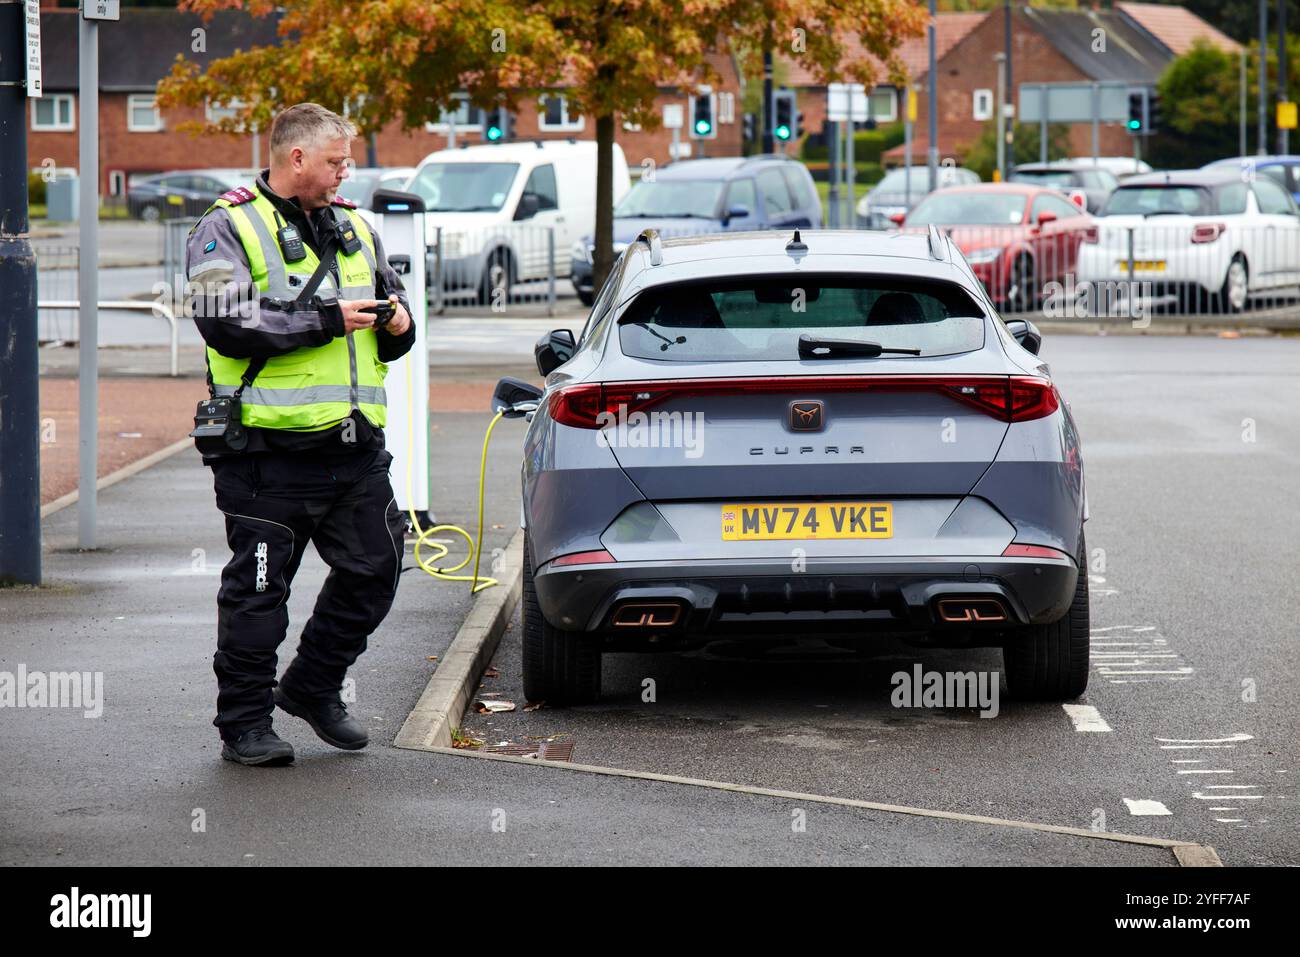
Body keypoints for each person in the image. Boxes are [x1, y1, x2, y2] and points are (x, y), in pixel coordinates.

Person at [184, 103, 416, 766]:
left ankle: (313, 686)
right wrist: (323, 319)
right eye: (337, 161)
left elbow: (386, 322)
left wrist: (399, 326)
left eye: (348, 159)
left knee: (377, 568)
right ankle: (245, 725)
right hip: (266, 452)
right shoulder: (224, 225)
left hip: (353, 450)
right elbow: (220, 318)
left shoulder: (355, 228)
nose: (348, 171)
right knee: (258, 593)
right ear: (296, 159)